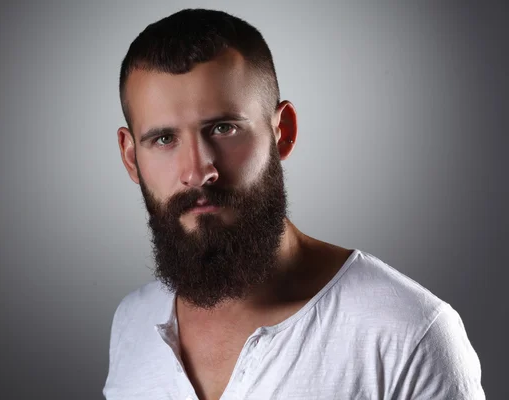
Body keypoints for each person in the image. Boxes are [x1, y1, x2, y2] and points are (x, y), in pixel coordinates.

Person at [103, 8, 485, 400]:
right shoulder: (132, 323)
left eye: (223, 128)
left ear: (282, 132)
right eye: (164, 140)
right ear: (132, 158)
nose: (197, 171)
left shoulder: (408, 335)